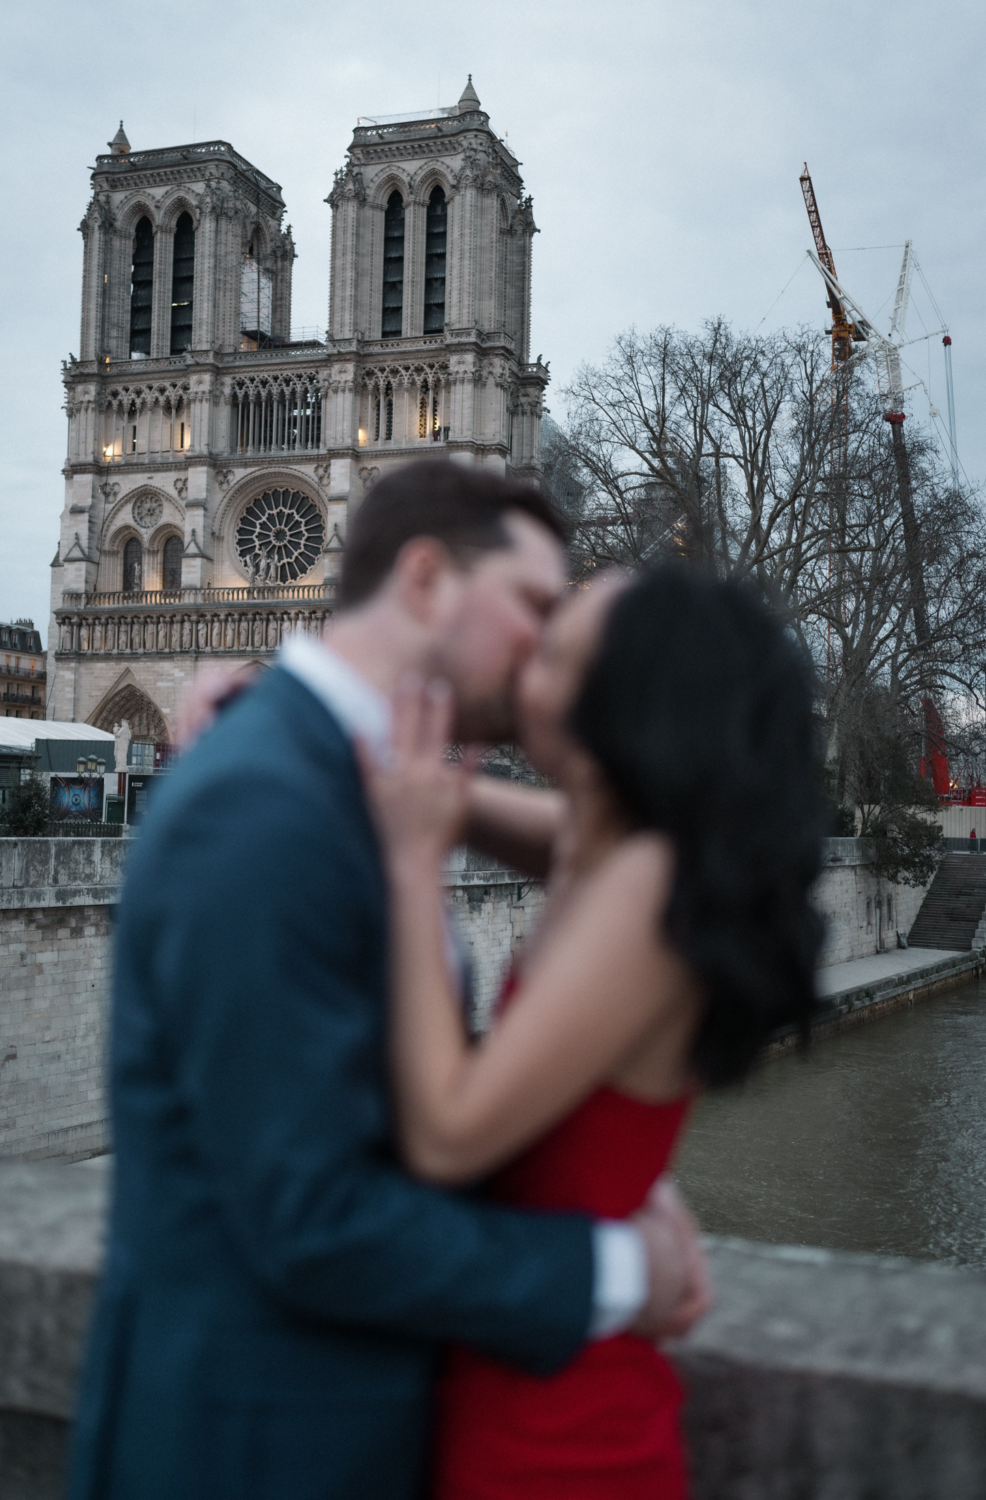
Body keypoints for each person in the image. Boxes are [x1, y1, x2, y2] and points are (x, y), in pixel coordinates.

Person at [66, 463, 708, 1500]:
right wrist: (619, 1271)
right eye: (535, 605)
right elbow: (314, 1219)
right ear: (424, 582)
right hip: (254, 1457)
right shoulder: (261, 805)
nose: (548, 647)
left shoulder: (346, 774)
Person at [359, 565, 824, 1499]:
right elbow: (495, 815)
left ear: (620, 705)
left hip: (560, 1445)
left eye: (556, 651)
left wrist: (414, 868)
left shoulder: (650, 887)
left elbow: (450, 1132)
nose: (528, 652)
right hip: (523, 1392)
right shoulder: (607, 851)